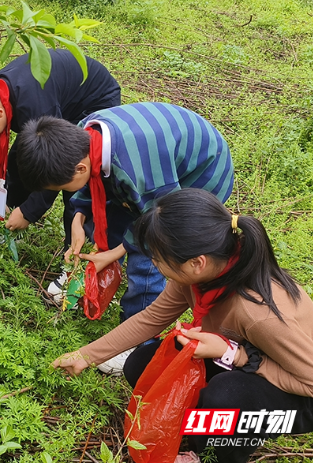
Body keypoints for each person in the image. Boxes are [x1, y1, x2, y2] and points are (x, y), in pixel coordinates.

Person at [51, 188, 313, 463]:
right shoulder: (199, 275)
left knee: (224, 398)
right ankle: (198, 424)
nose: (154, 263)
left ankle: (212, 454)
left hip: (301, 391)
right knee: (141, 365)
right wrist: (86, 356)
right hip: (247, 354)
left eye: (159, 259)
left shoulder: (258, 312)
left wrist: (235, 355)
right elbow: (151, 318)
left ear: (196, 263)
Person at [16, 102, 234, 374]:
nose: (62, 191)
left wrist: (118, 251)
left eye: (61, 187)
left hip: (202, 179)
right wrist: (78, 216)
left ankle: (137, 342)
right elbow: (100, 187)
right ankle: (84, 284)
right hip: (151, 176)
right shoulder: (86, 135)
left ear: (80, 169)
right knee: (110, 216)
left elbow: (156, 220)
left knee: (151, 253)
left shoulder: (139, 172)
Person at [0, 49, 121, 296]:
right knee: (18, 161)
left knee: (75, 185)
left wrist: (29, 211)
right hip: (56, 105)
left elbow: (51, 166)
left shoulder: (32, 103)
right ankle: (10, 219)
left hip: (91, 101)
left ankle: (75, 265)